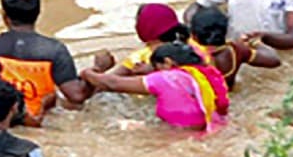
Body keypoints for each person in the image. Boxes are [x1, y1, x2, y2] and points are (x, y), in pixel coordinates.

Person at [81, 43, 230, 130]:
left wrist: (91, 71)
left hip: (179, 137)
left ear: (167, 62)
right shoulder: (208, 74)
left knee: (115, 126)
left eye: (156, 66)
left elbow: (111, 83)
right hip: (214, 129)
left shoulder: (166, 78)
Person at [188, 5, 281, 89]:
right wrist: (255, 42)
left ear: (194, 36)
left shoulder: (187, 53)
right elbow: (274, 60)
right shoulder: (236, 50)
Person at [92, 3, 190, 77]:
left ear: (144, 27)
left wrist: (100, 68)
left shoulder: (139, 58)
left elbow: (106, 84)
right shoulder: (189, 49)